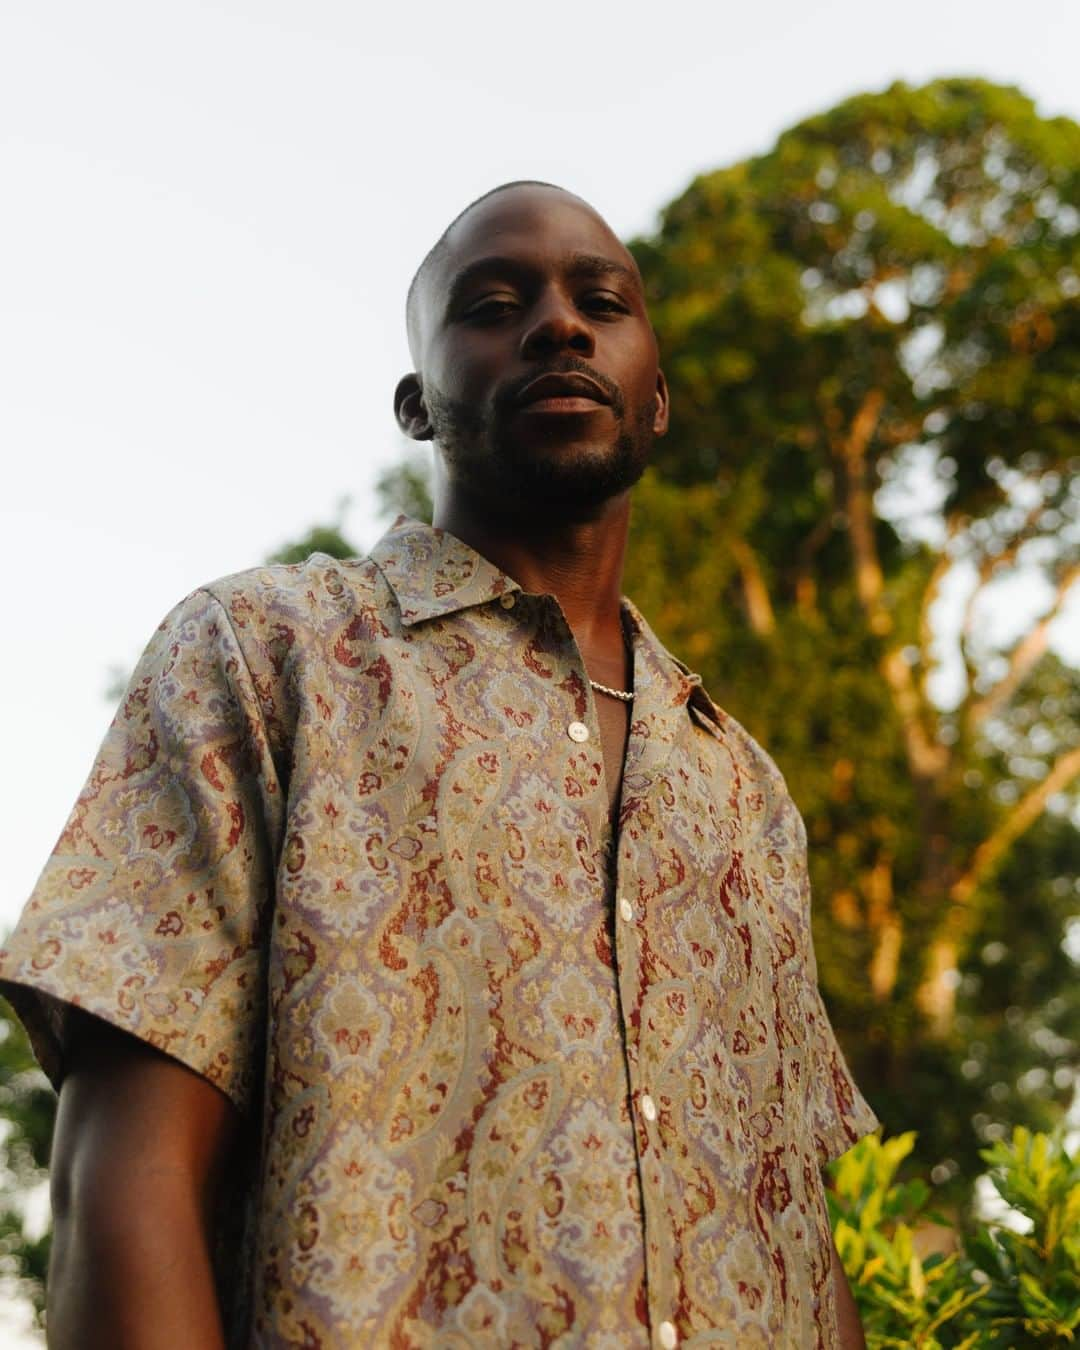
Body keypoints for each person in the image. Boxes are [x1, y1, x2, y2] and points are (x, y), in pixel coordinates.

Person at [0, 181, 878, 1349]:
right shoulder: (265, 658)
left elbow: (799, 1245)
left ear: (657, 399)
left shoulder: (745, 789)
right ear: (418, 405)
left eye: (600, 302)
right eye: (495, 304)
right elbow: (127, 1171)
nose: (558, 326)